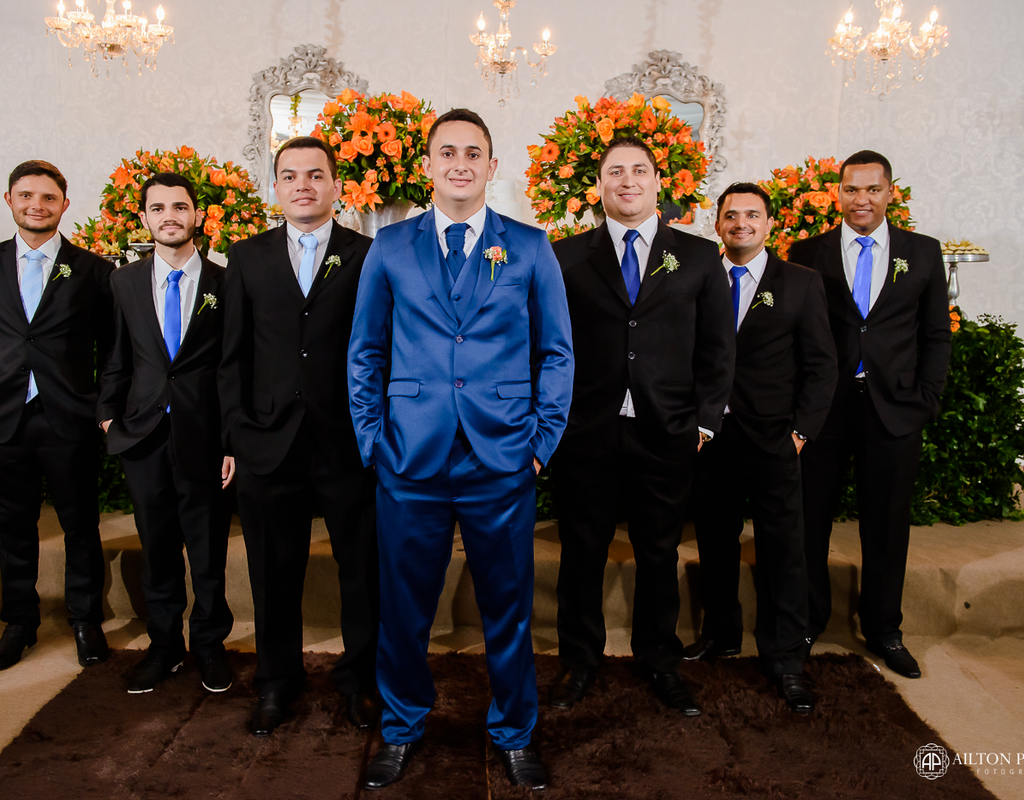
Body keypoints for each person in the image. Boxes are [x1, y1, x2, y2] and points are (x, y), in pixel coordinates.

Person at [347, 108, 574, 791]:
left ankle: (515, 733)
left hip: (501, 454)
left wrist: (540, 441)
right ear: (428, 166)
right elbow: (365, 351)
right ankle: (401, 727)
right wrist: (373, 440)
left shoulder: (529, 246)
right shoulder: (390, 247)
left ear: (492, 167)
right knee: (403, 608)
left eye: (473, 153)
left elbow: (557, 352)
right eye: (447, 152)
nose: (460, 164)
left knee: (508, 608)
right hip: (409, 456)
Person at [547, 137, 735, 717]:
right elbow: (545, 344)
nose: (627, 180)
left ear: (658, 182)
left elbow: (718, 348)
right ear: (598, 185)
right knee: (582, 551)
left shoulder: (700, 257)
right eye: (614, 172)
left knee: (659, 551)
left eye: (639, 170)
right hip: (587, 430)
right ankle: (579, 661)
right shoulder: (563, 256)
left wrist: (705, 422)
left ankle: (660, 660)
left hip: (667, 430)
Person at [218, 137, 379, 735]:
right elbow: (232, 355)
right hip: (268, 439)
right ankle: (276, 682)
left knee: (362, 569)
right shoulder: (247, 256)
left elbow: (384, 348)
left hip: (347, 440)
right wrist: (236, 435)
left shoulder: (368, 254)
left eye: (315, 174)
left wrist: (378, 431)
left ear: (337, 185)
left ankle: (361, 681)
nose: (303, 185)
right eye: (290, 176)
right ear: (276, 187)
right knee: (272, 570)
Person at [788, 150, 951, 679]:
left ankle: (884, 629)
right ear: (837, 193)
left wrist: (926, 399)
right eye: (851, 189)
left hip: (894, 410)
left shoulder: (922, 252)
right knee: (809, 521)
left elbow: (935, 334)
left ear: (890, 193)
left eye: (872, 189)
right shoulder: (806, 252)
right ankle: (807, 622)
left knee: (886, 525)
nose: (861, 199)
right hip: (823, 410)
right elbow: (793, 334)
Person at [682, 183, 837, 713]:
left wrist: (801, 432)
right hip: (711, 438)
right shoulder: (699, 277)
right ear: (717, 225)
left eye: (752, 215)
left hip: (774, 439)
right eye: (731, 215)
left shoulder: (801, 283)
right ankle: (721, 634)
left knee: (783, 549)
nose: (741, 223)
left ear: (770, 224)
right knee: (715, 542)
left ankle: (786, 657)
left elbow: (822, 366)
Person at [0, 160, 114, 671]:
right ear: (10, 200)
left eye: (48, 197)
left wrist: (99, 405)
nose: (36, 205)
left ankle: (85, 619)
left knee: (79, 523)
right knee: (13, 524)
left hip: (66, 416)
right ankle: (19, 622)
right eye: (26, 195)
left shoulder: (93, 269)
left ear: (64, 205)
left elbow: (111, 347)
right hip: (3, 416)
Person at [97, 172, 235, 694]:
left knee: (207, 550)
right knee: (157, 548)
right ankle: (165, 646)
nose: (169, 216)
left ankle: (210, 645)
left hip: (206, 437)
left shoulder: (226, 282)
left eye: (179, 206)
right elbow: (115, 356)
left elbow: (235, 367)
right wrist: (108, 416)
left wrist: (232, 441)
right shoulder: (124, 282)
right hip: (144, 436)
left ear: (197, 215)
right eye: (158, 208)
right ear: (144, 218)